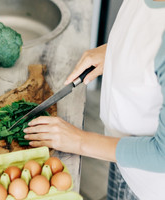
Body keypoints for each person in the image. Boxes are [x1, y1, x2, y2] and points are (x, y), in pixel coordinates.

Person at [23, 0, 165, 199]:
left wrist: (79, 141)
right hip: (119, 150)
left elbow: (162, 156)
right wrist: (117, 51)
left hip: (149, 180)